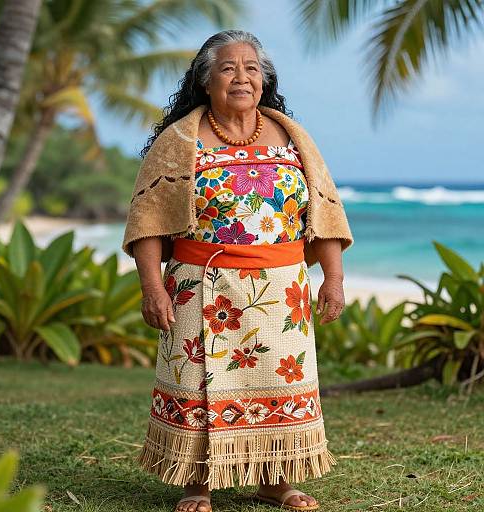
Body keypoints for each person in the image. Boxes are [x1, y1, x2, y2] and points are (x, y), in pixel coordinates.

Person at [122, 30, 354, 512]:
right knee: (200, 387)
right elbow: (147, 221)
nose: (242, 77)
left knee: (279, 381)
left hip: (282, 289)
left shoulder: (293, 136)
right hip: (198, 288)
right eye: (228, 68)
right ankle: (198, 484)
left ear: (264, 80)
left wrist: (333, 278)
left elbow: (325, 212)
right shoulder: (179, 140)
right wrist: (152, 288)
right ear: (206, 81)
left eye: (252, 68)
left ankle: (274, 480)